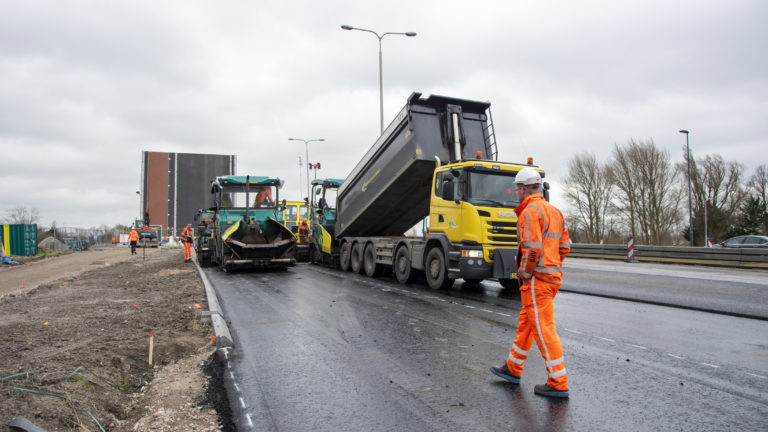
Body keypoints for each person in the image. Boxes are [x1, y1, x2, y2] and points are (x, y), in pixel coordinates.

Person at [490, 167, 572, 398]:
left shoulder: (529, 212)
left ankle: (558, 382)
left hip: (538, 281)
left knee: (544, 329)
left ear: (524, 188)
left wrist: (525, 273)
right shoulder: (554, 211)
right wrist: (553, 263)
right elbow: (565, 246)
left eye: (517, 188)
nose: (516, 192)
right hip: (551, 278)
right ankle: (513, 368)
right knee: (527, 323)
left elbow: (532, 250)